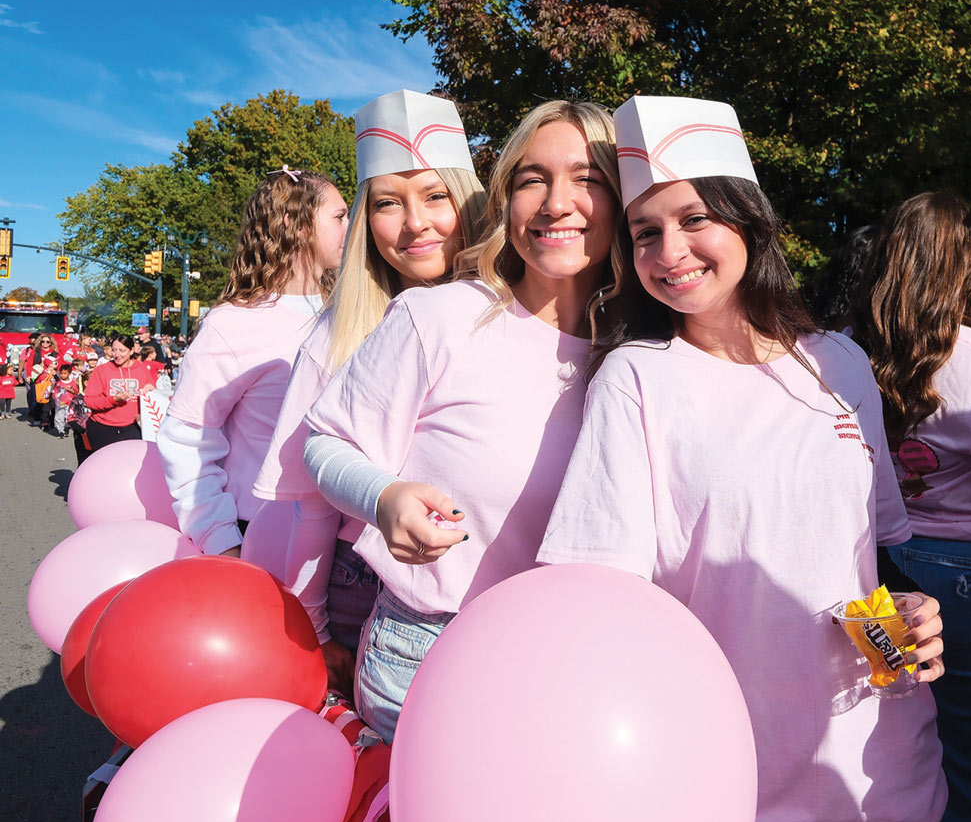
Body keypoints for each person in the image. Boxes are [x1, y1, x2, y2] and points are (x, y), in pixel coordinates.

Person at [537, 96, 946, 822]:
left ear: (750, 222)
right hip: (723, 815)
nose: (670, 251)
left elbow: (867, 563)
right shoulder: (637, 380)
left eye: (694, 219)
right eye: (646, 232)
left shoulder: (842, 366)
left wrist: (916, 611)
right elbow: (600, 605)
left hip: (882, 798)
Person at [303, 99, 625, 741]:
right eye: (533, 179)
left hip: (580, 668)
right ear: (505, 199)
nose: (556, 202)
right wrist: (385, 497)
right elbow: (326, 441)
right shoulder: (439, 317)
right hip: (427, 652)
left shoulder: (646, 355)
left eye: (587, 179)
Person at [253, 89, 487, 692]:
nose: (415, 223)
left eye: (435, 195)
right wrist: (314, 625)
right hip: (364, 591)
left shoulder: (520, 314)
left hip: (494, 588)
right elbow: (310, 501)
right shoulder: (335, 337)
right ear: (364, 219)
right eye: (388, 203)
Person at [853, 192, 971, 822]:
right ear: (969, 259)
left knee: (893, 742)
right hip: (970, 582)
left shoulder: (847, 355)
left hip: (878, 567)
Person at [156, 166, 349, 556]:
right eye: (340, 216)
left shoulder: (354, 309)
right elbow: (187, 440)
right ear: (295, 223)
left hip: (350, 541)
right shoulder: (233, 323)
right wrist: (223, 542)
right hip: (263, 536)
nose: (353, 226)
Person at [83, 334, 157, 451]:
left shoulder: (142, 370)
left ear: (131, 350)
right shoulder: (101, 370)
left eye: (122, 351)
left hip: (132, 427)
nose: (117, 355)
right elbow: (90, 401)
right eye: (114, 350)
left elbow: (153, 398)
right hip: (103, 427)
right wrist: (113, 400)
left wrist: (151, 391)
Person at [48, 363, 79, 437]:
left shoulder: (73, 383)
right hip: (60, 403)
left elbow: (76, 392)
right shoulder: (58, 383)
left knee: (68, 417)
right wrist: (54, 396)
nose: (63, 375)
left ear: (69, 373)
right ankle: (60, 430)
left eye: (65, 373)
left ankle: (67, 427)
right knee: (58, 417)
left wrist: (68, 389)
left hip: (70, 403)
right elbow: (54, 391)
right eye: (61, 373)